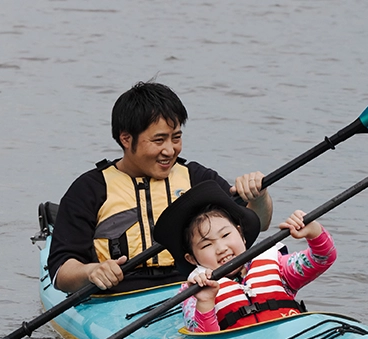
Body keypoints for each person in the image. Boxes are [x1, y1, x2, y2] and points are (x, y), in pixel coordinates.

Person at [47, 81, 274, 295]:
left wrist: (259, 195)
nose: (170, 150)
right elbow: (60, 273)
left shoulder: (200, 179)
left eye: (176, 138)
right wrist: (91, 272)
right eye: (158, 141)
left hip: (196, 290)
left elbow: (259, 223)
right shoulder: (90, 189)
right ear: (126, 139)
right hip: (118, 298)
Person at [153, 180, 336, 332]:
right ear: (191, 259)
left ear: (240, 234)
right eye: (207, 244)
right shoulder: (194, 292)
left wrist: (314, 232)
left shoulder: (278, 267)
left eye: (226, 235)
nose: (221, 248)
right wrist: (206, 302)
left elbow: (322, 258)